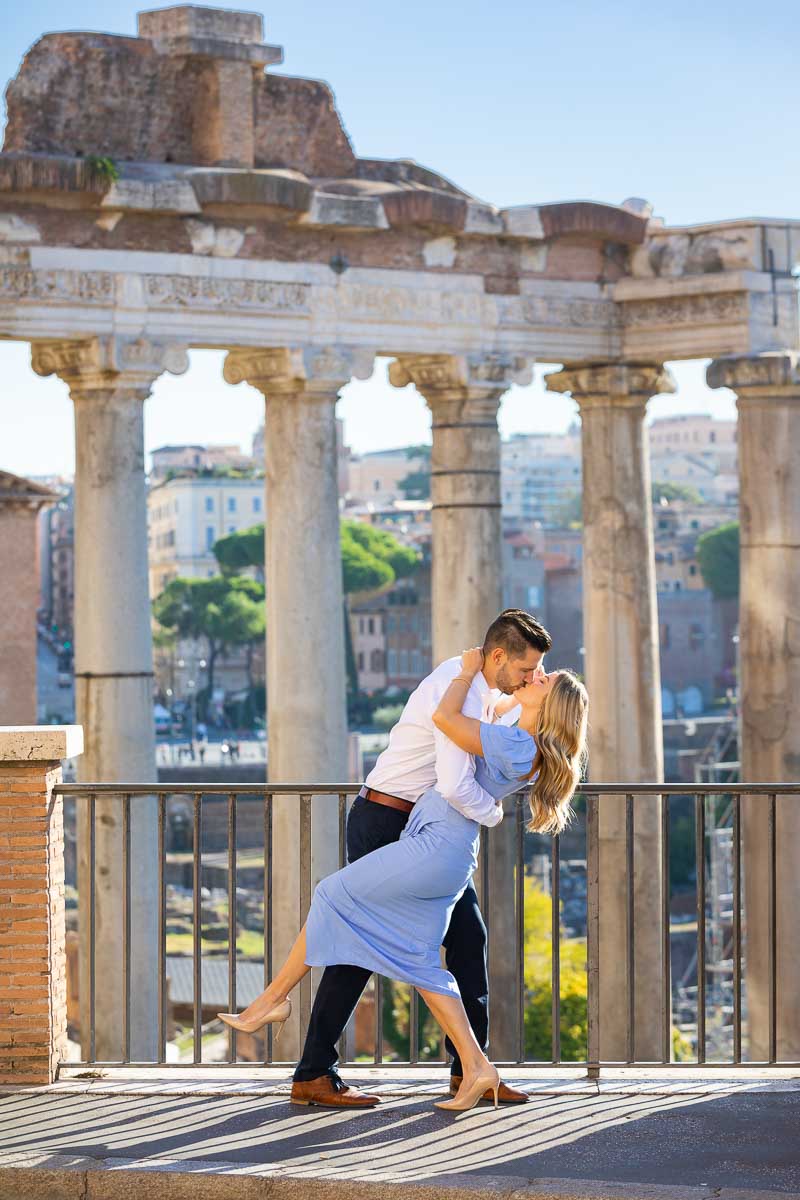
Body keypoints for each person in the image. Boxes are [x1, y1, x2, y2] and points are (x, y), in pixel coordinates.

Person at [219, 617, 589, 1111]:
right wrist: (492, 809)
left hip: (430, 836)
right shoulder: (459, 692)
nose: (531, 678)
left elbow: (481, 759)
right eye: (528, 669)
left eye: (539, 675)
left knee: (457, 940)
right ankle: (318, 1069)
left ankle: (468, 1070)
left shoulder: (484, 701)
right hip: (390, 819)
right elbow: (460, 779)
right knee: (360, 944)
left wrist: (491, 809)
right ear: (498, 658)